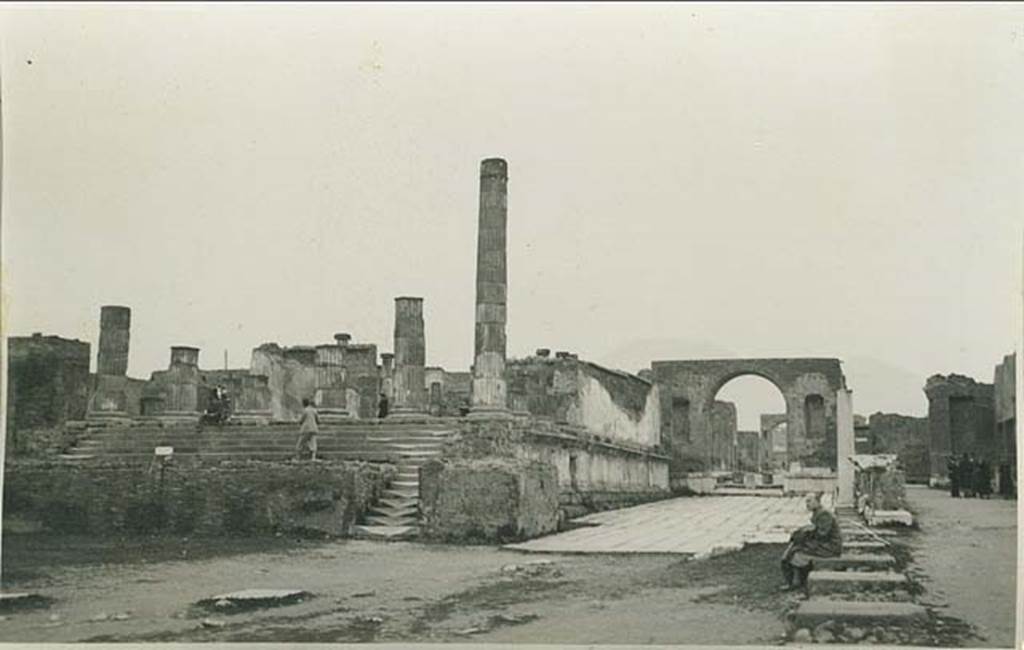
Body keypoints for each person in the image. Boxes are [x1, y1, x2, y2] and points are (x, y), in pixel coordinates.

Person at [780, 493, 842, 593]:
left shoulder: (824, 514)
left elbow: (822, 535)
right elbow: (817, 531)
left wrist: (807, 535)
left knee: (796, 550)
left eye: (809, 501)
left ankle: (795, 582)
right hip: (824, 544)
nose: (807, 504)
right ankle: (795, 581)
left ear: (817, 502)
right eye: (806, 501)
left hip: (830, 547)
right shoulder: (818, 512)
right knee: (795, 547)